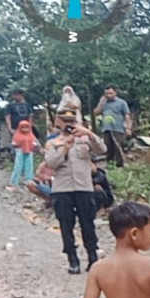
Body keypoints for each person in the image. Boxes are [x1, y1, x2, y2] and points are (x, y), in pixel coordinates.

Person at [45, 109, 106, 274]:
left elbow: (102, 149)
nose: (69, 124)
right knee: (66, 225)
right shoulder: (53, 142)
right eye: (65, 121)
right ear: (59, 122)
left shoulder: (85, 139)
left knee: (88, 223)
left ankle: (93, 257)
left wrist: (89, 133)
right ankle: (72, 259)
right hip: (62, 189)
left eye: (71, 121)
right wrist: (65, 148)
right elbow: (51, 164)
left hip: (83, 187)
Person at [94, 84, 132, 167]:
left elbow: (127, 116)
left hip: (117, 128)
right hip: (106, 128)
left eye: (110, 93)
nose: (109, 95)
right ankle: (110, 164)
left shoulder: (121, 103)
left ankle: (120, 165)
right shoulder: (104, 103)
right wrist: (101, 103)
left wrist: (128, 128)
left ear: (115, 93)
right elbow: (96, 113)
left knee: (118, 147)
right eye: (107, 94)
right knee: (107, 148)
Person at [9, 120, 40, 189]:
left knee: (29, 167)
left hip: (29, 151)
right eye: (23, 127)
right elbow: (14, 144)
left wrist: (35, 146)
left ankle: (29, 182)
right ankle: (13, 182)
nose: (25, 129)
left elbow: (35, 143)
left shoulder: (31, 135)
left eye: (27, 127)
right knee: (18, 167)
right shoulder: (17, 135)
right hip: (20, 151)